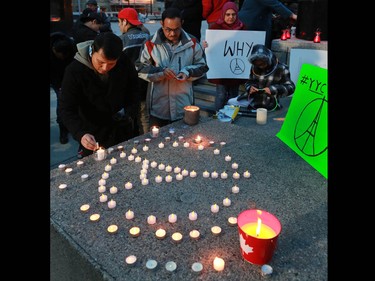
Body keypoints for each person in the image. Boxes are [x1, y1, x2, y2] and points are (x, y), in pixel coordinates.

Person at [59, 32, 141, 159]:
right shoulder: (74, 71)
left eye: (111, 64)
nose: (104, 68)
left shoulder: (123, 61)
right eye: (100, 62)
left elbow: (134, 88)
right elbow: (66, 108)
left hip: (122, 128)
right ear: (92, 51)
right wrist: (80, 133)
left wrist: (130, 113)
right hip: (92, 134)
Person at [135, 7, 209, 128]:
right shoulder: (150, 43)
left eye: (176, 29)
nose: (172, 34)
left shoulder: (193, 42)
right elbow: (140, 68)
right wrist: (161, 72)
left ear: (182, 24)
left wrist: (187, 72)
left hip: (184, 106)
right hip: (158, 108)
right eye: (168, 29)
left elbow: (203, 67)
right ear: (161, 24)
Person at [202, 1, 247, 111]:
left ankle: (231, 116)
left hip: (235, 71)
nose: (230, 17)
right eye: (228, 14)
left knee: (233, 96)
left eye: (233, 14)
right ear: (223, 14)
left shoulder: (243, 28)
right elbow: (209, 49)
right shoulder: (215, 28)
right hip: (220, 71)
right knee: (221, 94)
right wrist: (205, 45)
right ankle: (218, 117)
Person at [227, 44, 295, 111]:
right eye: (258, 64)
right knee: (230, 102)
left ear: (267, 59)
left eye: (262, 63)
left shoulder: (282, 68)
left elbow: (291, 87)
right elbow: (250, 82)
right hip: (253, 99)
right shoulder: (255, 67)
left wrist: (272, 89)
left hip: (270, 102)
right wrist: (250, 88)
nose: (260, 66)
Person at [118, 8, 151, 135]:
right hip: (146, 83)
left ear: (125, 21)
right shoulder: (147, 36)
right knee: (144, 116)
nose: (119, 26)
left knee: (130, 116)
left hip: (129, 86)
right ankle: (148, 141)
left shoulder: (122, 40)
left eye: (120, 22)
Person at [50, 32, 76, 144]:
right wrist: (58, 86)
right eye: (59, 55)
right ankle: (63, 129)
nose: (62, 57)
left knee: (74, 103)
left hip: (70, 78)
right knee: (62, 104)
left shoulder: (71, 48)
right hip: (56, 80)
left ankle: (72, 125)